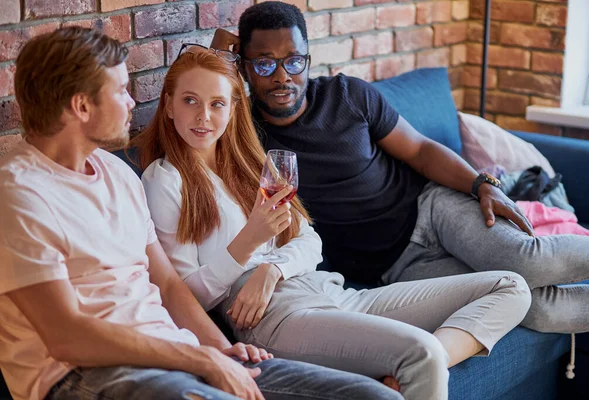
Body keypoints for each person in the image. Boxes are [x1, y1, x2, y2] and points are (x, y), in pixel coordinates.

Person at [0, 27, 406, 400]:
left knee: (376, 397)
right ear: (81, 105)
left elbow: (168, 284)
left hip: (172, 353)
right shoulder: (20, 195)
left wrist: (220, 349)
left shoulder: (116, 173)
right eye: (122, 90)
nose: (131, 102)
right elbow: (66, 336)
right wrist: (202, 360)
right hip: (84, 374)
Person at [133, 41, 531, 400]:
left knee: (511, 285)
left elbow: (310, 241)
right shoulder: (164, 181)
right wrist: (248, 243)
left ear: (234, 108)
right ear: (167, 105)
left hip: (331, 291)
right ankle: (413, 368)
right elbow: (186, 296)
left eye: (217, 103)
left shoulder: (253, 165)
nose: (203, 116)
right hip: (274, 316)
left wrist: (273, 267)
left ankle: (402, 376)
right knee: (420, 352)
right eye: (189, 100)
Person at [210, 0, 589, 334]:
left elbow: (420, 150)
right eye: (264, 65)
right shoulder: (244, 133)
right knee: (536, 308)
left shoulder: (348, 95)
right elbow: (203, 92)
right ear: (243, 68)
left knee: (525, 261)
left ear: (308, 60)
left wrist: (482, 183)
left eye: (294, 61)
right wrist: (222, 52)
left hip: (432, 208)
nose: (282, 77)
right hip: (394, 269)